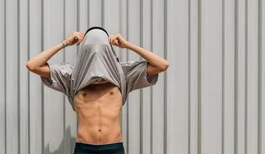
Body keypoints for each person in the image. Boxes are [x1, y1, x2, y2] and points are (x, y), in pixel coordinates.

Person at [25, 26, 169, 154]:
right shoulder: (72, 75)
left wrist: (127, 45)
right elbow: (33, 65)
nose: (96, 53)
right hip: (84, 148)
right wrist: (65, 43)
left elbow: (162, 65)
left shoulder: (122, 73)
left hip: (114, 147)